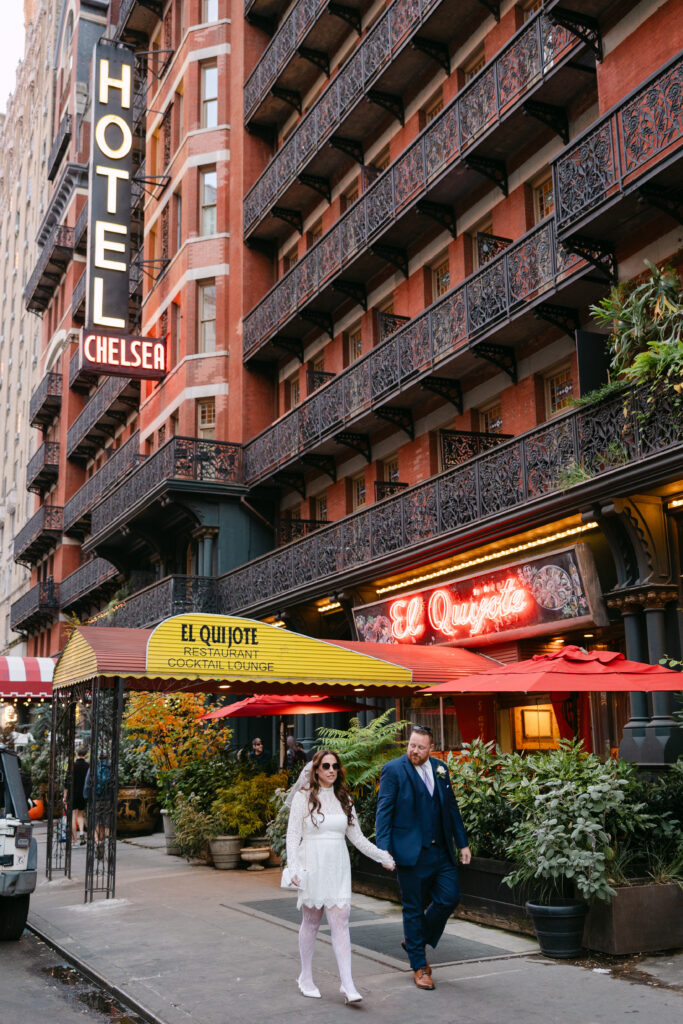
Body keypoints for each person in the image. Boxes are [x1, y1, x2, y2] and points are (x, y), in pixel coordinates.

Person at [286, 749, 395, 1003]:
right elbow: (292, 836)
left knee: (341, 922)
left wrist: (382, 856)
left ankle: (347, 983)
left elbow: (356, 837)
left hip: (337, 866)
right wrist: (293, 868)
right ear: (316, 770)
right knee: (311, 921)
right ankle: (305, 977)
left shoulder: (345, 799)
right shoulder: (304, 798)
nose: (331, 770)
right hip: (311, 863)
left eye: (335, 765)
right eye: (325, 766)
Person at [375, 725, 471, 991]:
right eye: (411, 745)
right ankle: (419, 967)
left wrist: (462, 843)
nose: (414, 751)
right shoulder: (394, 770)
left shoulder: (441, 769)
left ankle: (415, 939)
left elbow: (451, 808)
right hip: (409, 853)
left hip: (440, 851)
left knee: (450, 897)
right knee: (413, 908)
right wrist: (382, 850)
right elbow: (384, 811)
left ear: (431, 748)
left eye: (420, 747)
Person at [72, 746, 89, 844]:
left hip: (73, 793)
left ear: (76, 754)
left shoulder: (72, 766)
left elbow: (67, 782)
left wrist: (65, 796)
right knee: (81, 814)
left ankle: (74, 839)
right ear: (85, 755)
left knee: (73, 815)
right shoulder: (88, 766)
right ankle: (82, 833)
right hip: (83, 793)